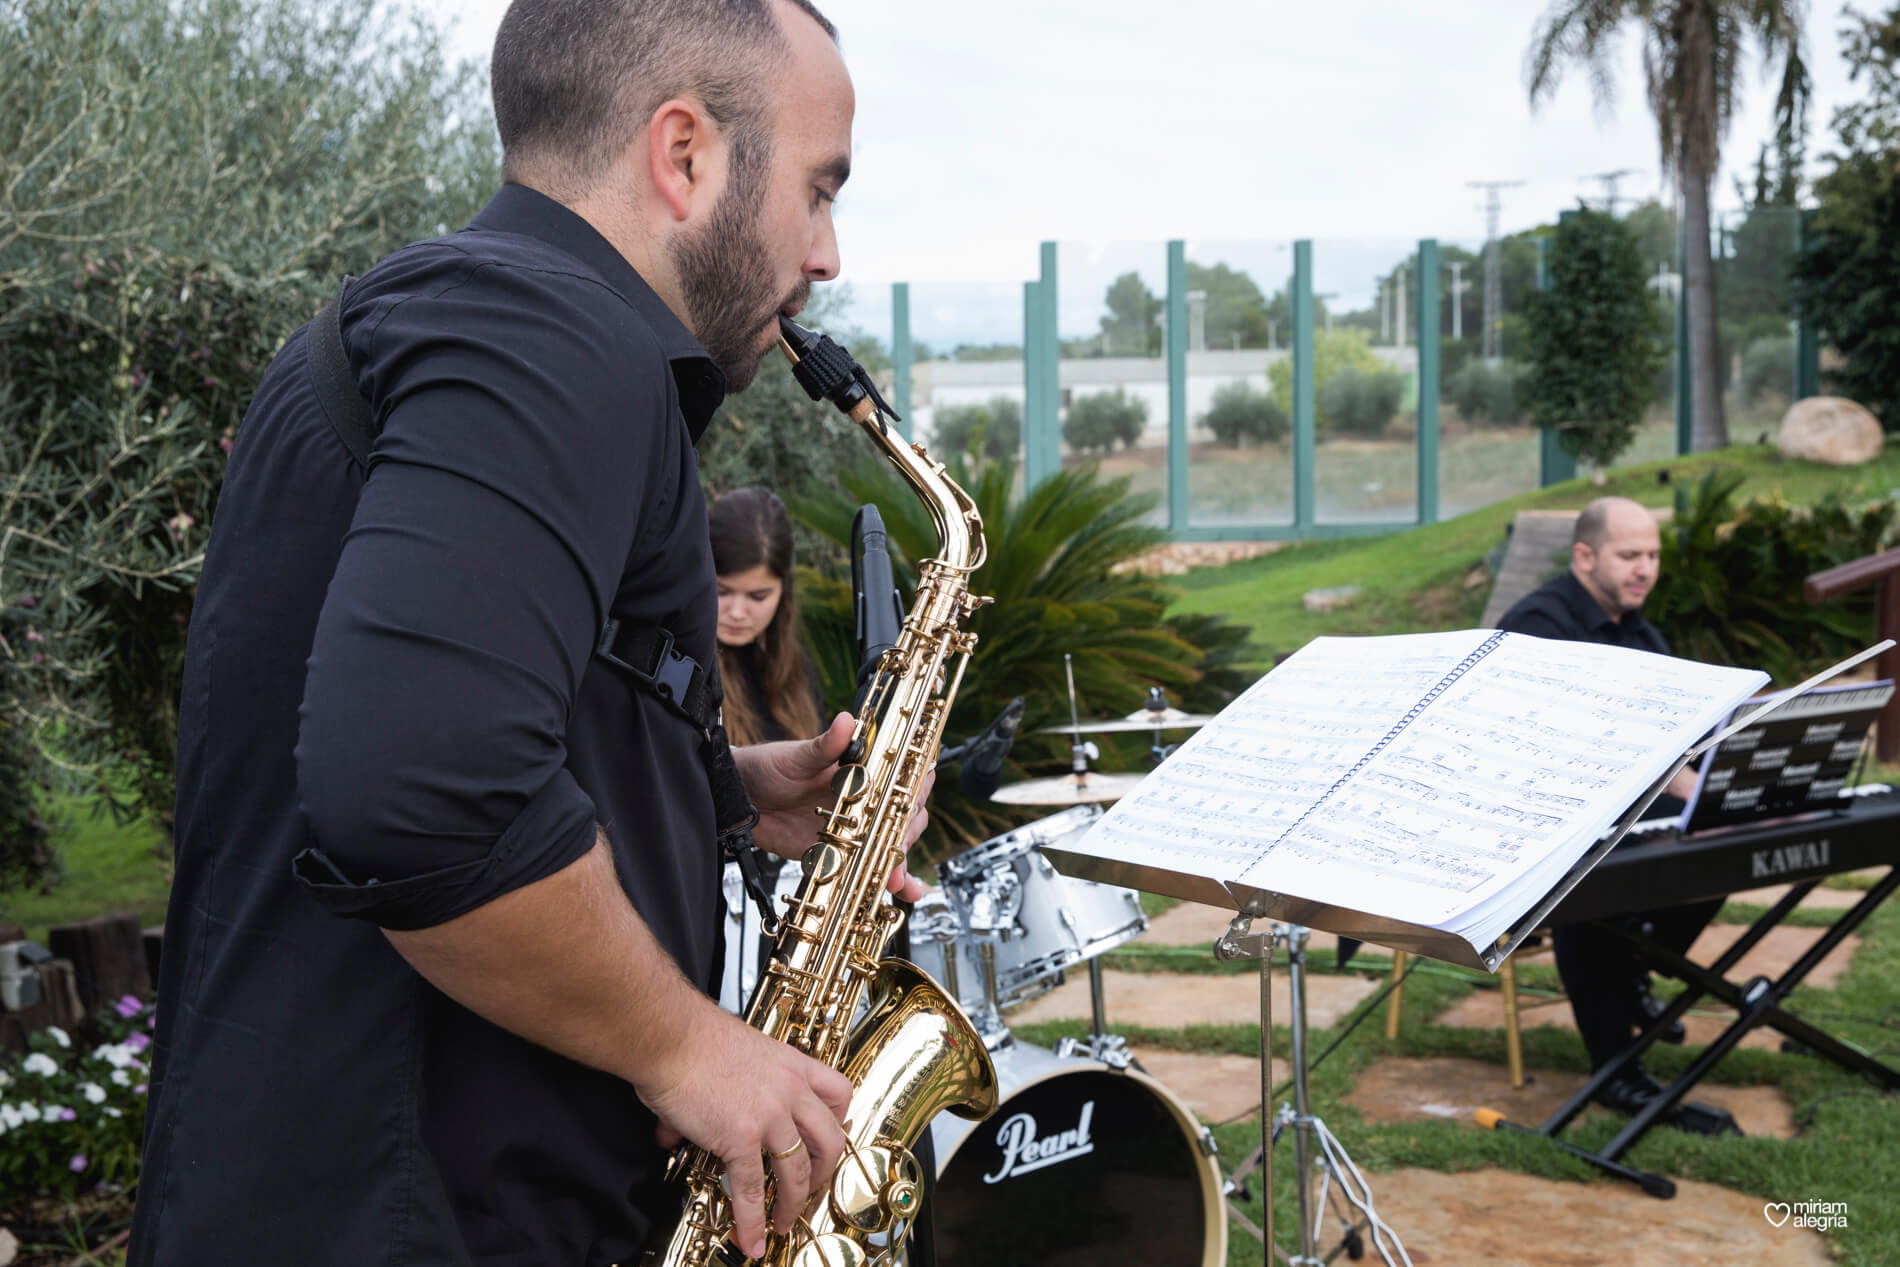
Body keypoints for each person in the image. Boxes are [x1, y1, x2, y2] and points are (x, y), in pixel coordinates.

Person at [129, 3, 928, 1264]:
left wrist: (719, 792)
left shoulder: (466, 325)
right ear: (685, 154)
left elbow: (465, 720)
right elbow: (419, 792)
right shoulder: (539, 336)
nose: (825, 254)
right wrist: (690, 1049)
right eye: (817, 190)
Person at [1496, 496, 1721, 1115]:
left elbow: (1681, 731)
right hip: (1527, 822)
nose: (1644, 568)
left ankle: (1637, 967)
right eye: (1629, 555)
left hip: (1621, 811)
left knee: (1715, 846)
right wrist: (1685, 788)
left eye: (1652, 555)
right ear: (1585, 556)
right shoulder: (1540, 623)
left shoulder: (1641, 631)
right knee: (1596, 892)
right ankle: (1614, 1070)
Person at [709, 486, 825, 1013]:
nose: (736, 612)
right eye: (721, 591)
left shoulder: (796, 672)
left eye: (758, 597)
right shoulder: (679, 667)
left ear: (784, 592)